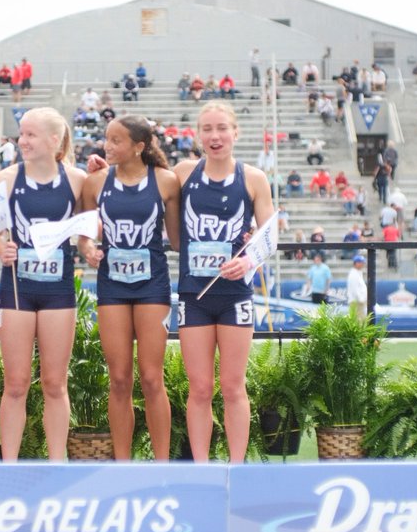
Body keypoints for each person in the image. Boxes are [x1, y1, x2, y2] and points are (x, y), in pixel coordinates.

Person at [174, 102, 273, 463]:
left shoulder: (253, 178)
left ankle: (237, 466)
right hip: (193, 293)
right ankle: (201, 466)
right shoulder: (184, 172)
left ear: (235, 132)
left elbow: (269, 237)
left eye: (221, 128)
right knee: (199, 387)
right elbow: (145, 186)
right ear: (197, 134)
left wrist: (247, 260)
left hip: (235, 295)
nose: (214, 136)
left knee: (233, 386)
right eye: (207, 129)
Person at [78, 116, 181, 461]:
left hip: (152, 285)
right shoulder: (95, 183)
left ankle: (162, 463)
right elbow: (83, 234)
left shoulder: (165, 182)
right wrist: (88, 249)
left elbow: (179, 241)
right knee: (119, 379)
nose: (107, 146)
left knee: (152, 379)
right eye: (106, 139)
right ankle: (123, 464)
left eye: (116, 141)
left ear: (139, 146)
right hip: (112, 286)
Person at [0, 107, 86, 461]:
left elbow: (91, 226)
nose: (22, 141)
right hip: (16, 290)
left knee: (55, 384)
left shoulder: (77, 180)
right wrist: (3, 249)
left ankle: (58, 462)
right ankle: (8, 464)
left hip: (58, 291)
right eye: (21, 134)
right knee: (15, 385)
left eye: (30, 135)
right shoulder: (5, 179)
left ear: (54, 141)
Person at [347, 254, 368, 318]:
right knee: (359, 322)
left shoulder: (357, 273)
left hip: (359, 302)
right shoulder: (353, 274)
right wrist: (361, 299)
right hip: (357, 302)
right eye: (361, 262)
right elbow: (355, 289)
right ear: (356, 263)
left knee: (361, 321)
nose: (363, 264)